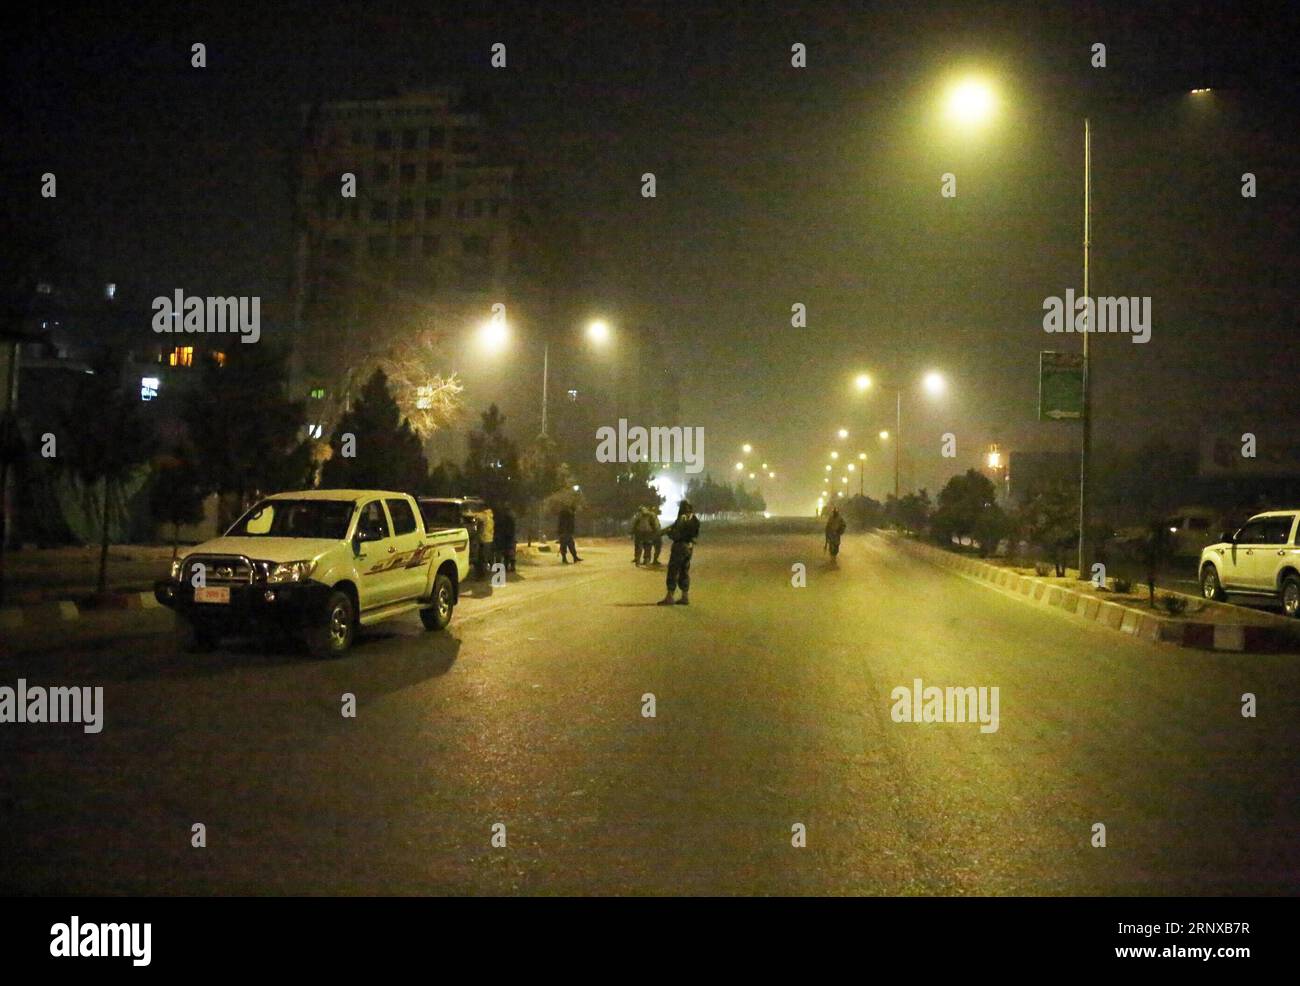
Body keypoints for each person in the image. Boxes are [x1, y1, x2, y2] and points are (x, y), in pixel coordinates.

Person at [657, 499, 700, 605]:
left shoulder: (682, 518)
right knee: (684, 570)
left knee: (673, 570)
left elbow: (676, 533)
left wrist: (669, 533)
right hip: (689, 547)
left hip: (680, 546)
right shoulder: (694, 519)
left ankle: (670, 596)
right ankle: (685, 596)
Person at [494, 507, 517, 574]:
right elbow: (513, 529)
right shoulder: (511, 519)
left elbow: (496, 529)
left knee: (500, 553)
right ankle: (507, 567)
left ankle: (499, 568)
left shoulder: (499, 520)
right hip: (508, 538)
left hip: (501, 538)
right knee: (509, 554)